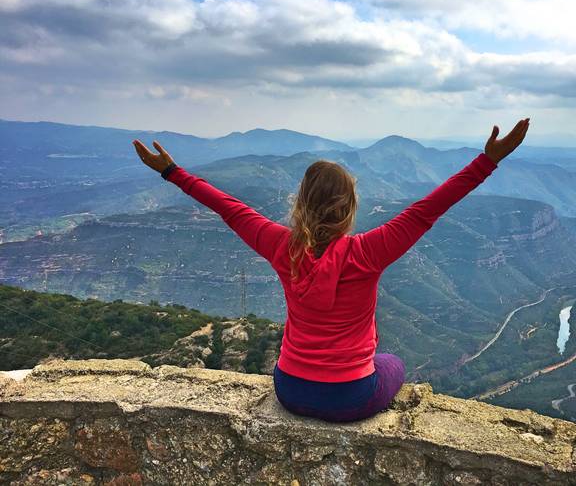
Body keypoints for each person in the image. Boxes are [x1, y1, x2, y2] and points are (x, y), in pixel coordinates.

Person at [132, 118, 529, 422]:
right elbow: (429, 208)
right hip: (350, 396)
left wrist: (170, 171)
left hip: (289, 389)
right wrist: (488, 160)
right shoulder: (369, 252)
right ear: (350, 208)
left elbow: (229, 208)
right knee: (394, 364)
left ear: (300, 202)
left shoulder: (279, 246)